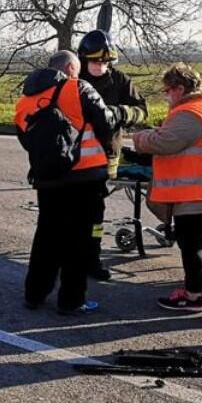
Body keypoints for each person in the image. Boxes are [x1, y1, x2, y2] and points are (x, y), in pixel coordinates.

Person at [133, 63, 202, 313]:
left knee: (190, 245)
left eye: (168, 90)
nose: (166, 95)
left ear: (179, 88)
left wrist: (141, 138)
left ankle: (192, 296)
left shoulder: (190, 112)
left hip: (195, 193)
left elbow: (166, 142)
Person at [15, 50, 116, 314]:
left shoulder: (25, 100)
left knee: (46, 237)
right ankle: (72, 300)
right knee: (78, 242)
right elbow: (106, 122)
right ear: (71, 68)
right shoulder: (78, 87)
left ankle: (34, 294)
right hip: (85, 177)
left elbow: (27, 141)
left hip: (48, 179)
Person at [77, 30, 148, 281]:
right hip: (74, 160)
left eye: (106, 62)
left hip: (106, 158)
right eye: (96, 61)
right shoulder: (74, 80)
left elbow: (142, 111)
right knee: (74, 213)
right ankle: (70, 257)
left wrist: (120, 113)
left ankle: (92, 260)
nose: (101, 66)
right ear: (84, 59)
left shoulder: (119, 80)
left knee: (95, 213)